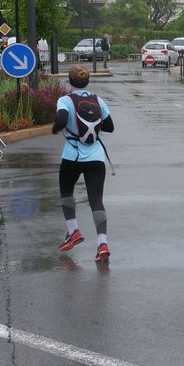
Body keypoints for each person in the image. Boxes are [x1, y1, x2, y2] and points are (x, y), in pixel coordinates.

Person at [52, 65, 114, 263]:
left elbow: (61, 119)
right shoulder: (98, 100)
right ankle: (102, 243)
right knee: (96, 200)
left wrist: (55, 129)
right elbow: (110, 127)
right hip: (96, 157)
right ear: (87, 81)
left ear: (70, 82)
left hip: (72, 156)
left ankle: (73, 231)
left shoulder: (65, 100)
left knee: (66, 192)